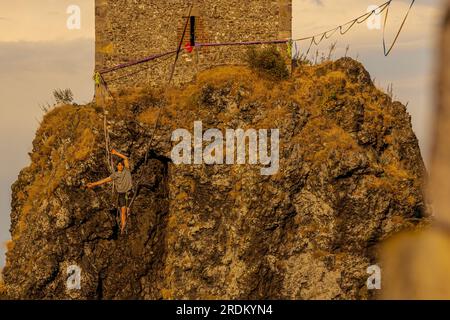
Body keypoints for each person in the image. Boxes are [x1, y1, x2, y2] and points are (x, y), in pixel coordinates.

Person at [86, 149, 133, 235]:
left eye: (121, 165)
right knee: (123, 211)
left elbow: (125, 158)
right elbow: (104, 180)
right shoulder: (115, 175)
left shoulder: (127, 170)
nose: (120, 166)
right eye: (119, 165)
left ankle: (127, 216)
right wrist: (93, 184)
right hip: (121, 194)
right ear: (117, 167)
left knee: (127, 210)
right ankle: (123, 227)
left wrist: (116, 153)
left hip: (129, 192)